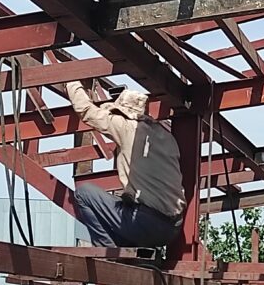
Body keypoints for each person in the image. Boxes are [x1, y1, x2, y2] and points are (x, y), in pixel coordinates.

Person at [66, 81, 186, 249]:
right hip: (171, 229)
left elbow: (86, 110)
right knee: (124, 203)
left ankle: (107, 252)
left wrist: (72, 84)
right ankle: (124, 247)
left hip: (145, 223)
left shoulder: (127, 127)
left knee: (84, 193)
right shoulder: (166, 137)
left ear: (123, 113)